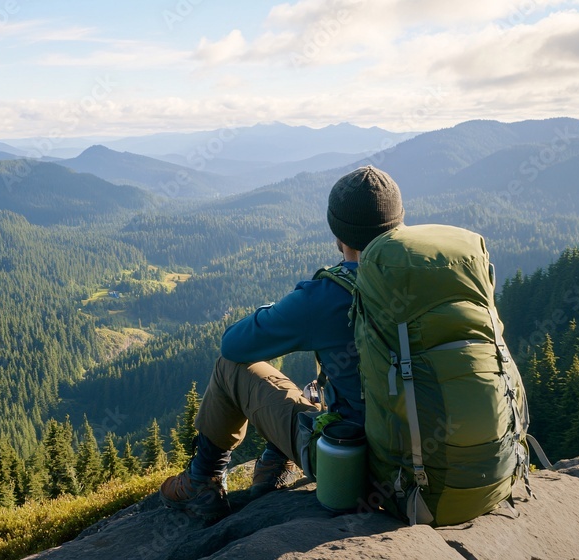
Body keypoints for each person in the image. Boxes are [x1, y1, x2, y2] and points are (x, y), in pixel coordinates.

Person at [159, 165, 405, 519]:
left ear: (339, 234)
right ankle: (275, 462)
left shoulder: (329, 294)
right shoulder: (444, 275)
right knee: (319, 392)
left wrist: (290, 307)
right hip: (456, 466)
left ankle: (202, 480)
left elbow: (234, 345)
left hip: (362, 467)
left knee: (232, 368)